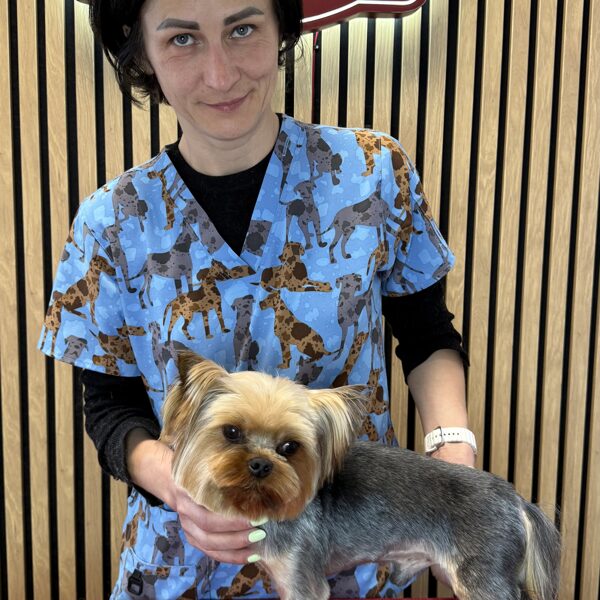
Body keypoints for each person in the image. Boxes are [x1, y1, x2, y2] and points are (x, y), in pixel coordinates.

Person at [39, 0, 474, 597]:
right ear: (141, 52)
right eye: (182, 39)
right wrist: (177, 485)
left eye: (242, 29)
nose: (220, 75)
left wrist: (452, 453)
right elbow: (110, 407)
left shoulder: (372, 172)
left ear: (282, 30)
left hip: (348, 551)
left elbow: (427, 337)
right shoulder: (109, 222)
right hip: (181, 563)